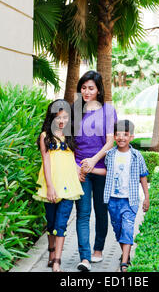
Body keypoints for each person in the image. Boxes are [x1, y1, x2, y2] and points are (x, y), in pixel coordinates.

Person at [73, 71, 117, 272]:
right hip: (80, 170)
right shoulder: (75, 110)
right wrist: (76, 167)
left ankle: (98, 249)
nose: (86, 91)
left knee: (101, 211)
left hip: (101, 169)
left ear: (99, 90)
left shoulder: (108, 109)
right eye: (83, 87)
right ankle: (84, 257)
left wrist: (93, 160)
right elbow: (68, 143)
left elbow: (110, 141)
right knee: (82, 213)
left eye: (91, 88)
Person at [33, 99, 84, 272]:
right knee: (52, 222)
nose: (62, 121)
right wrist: (50, 186)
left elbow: (71, 159)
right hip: (51, 184)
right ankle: (51, 253)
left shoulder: (70, 136)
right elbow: (46, 161)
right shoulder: (45, 137)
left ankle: (57, 262)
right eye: (58, 117)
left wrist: (78, 171)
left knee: (61, 224)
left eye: (65, 117)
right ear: (52, 118)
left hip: (68, 186)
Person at [104, 120, 150, 272]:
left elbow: (143, 177)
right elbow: (107, 172)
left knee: (128, 229)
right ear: (114, 137)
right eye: (118, 134)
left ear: (132, 137)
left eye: (125, 135)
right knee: (118, 229)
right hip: (112, 199)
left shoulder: (137, 156)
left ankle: (124, 263)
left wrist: (147, 197)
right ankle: (126, 254)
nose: (121, 138)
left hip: (130, 200)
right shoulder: (110, 155)